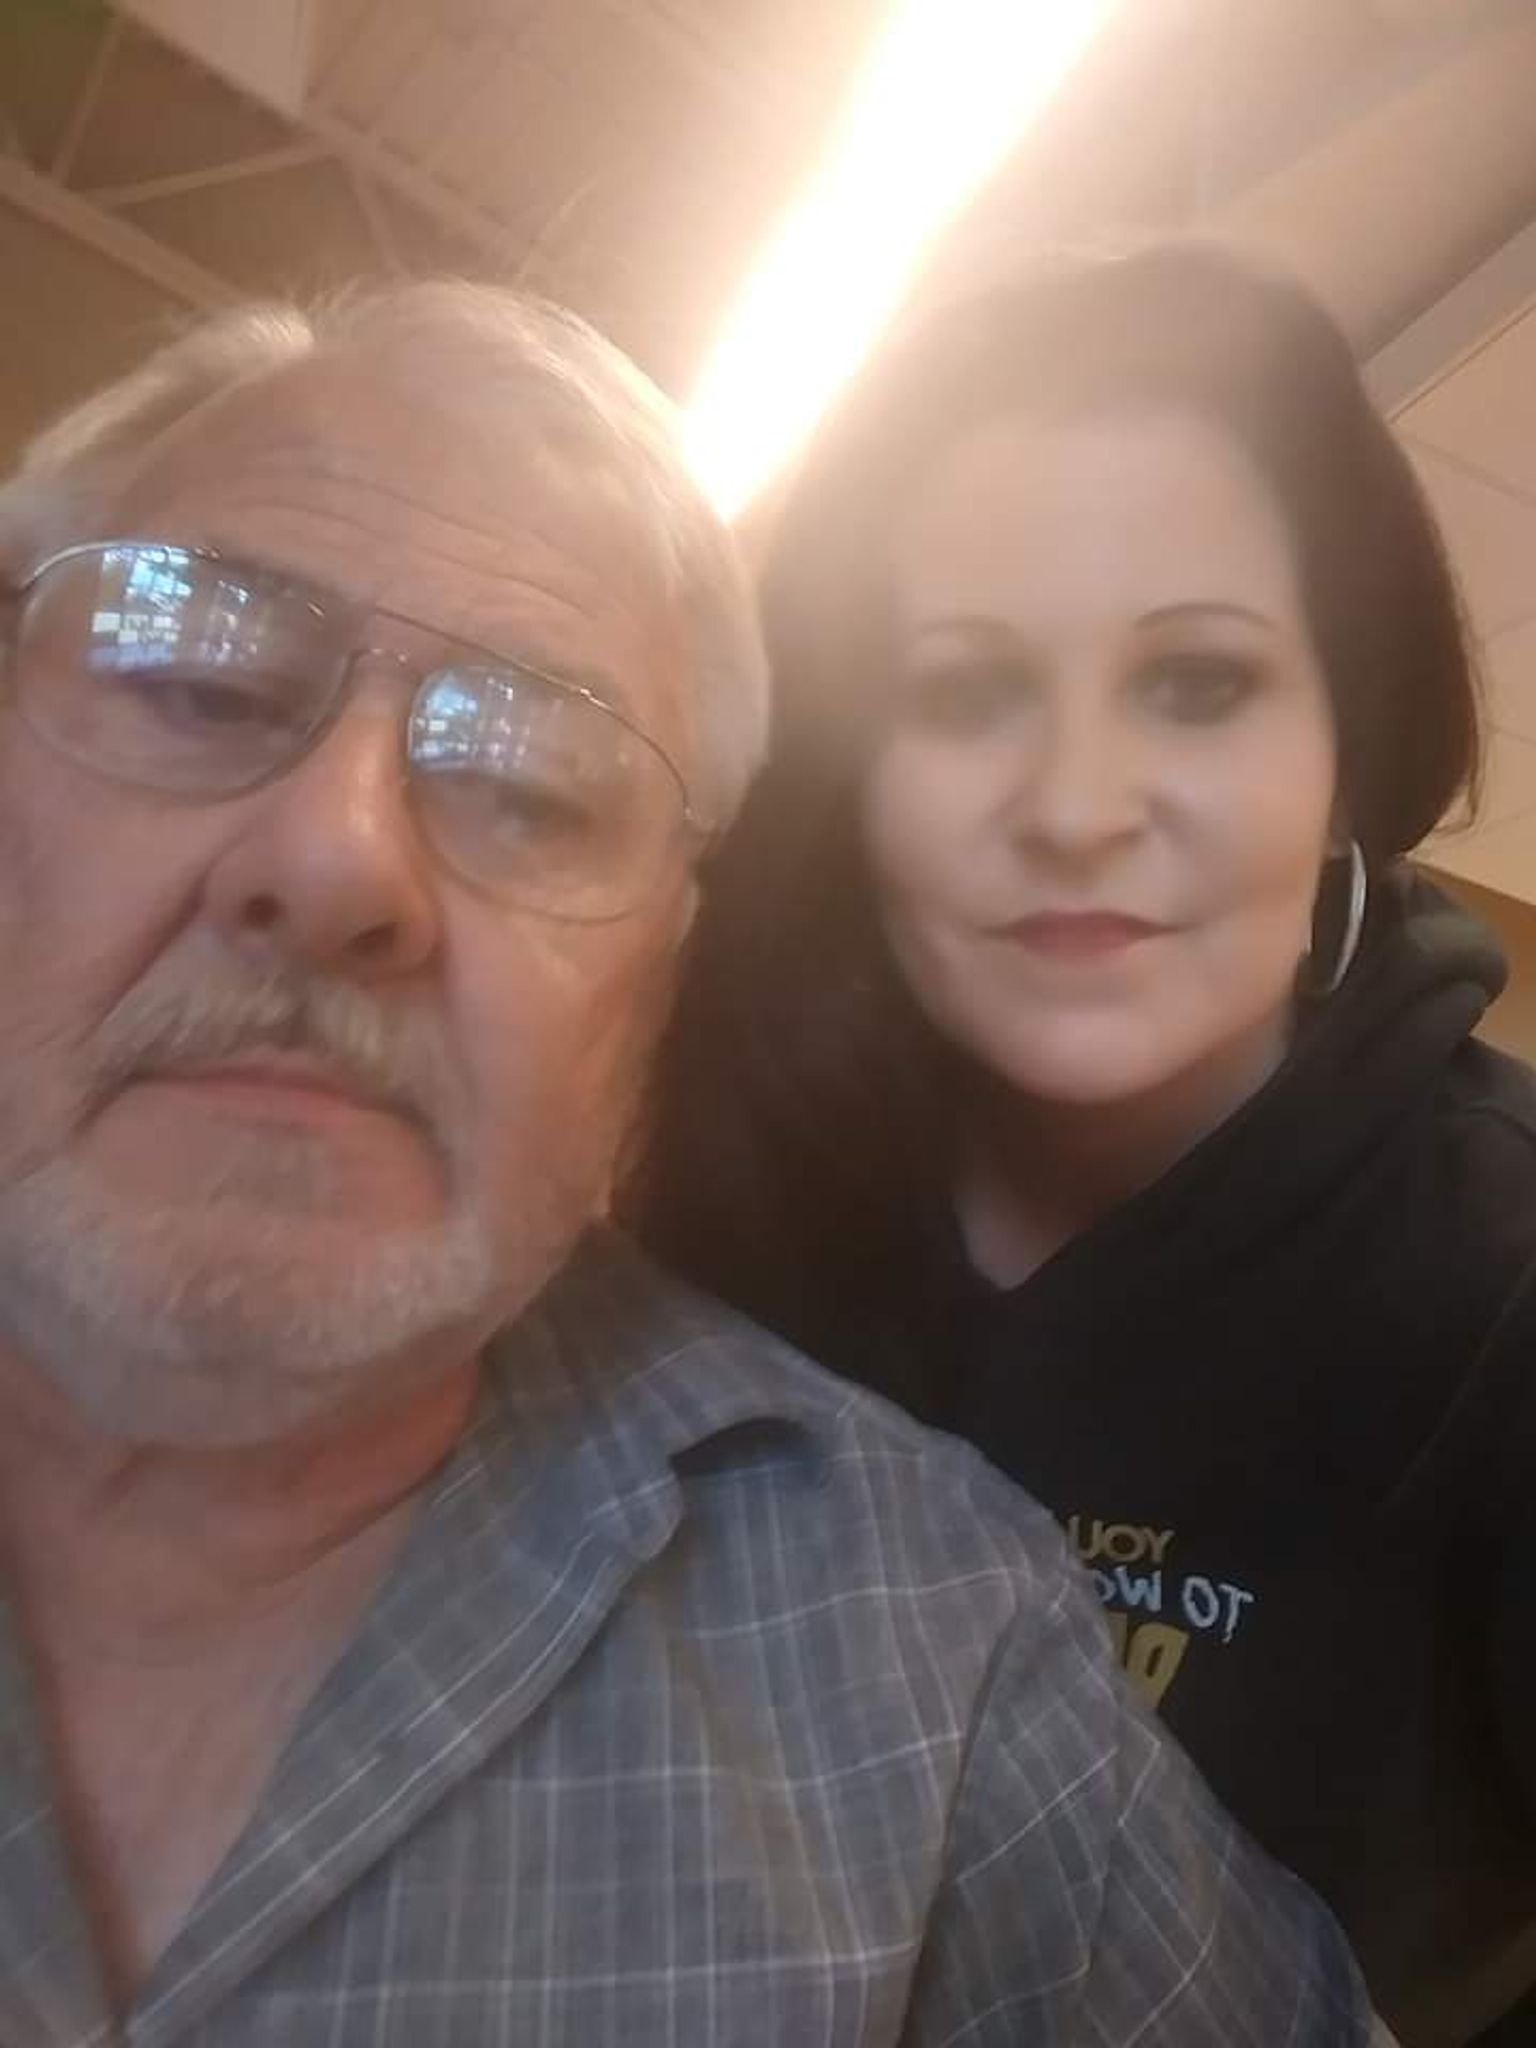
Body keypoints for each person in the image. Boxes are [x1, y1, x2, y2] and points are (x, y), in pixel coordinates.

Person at [0, 281, 1385, 2047]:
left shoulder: (933, 1654)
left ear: (662, 971)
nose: (340, 858)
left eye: (536, 786)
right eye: (198, 677)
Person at [634, 243, 1536, 2048]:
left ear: (1346, 745)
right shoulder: (708, 1185)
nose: (1072, 805)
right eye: (965, 693)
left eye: (1196, 683)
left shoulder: (1499, 1290)